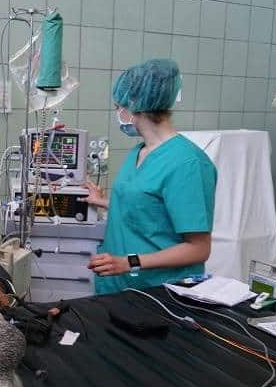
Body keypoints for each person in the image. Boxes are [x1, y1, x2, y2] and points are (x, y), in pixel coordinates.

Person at [80, 59, 217, 294]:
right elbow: (150, 211)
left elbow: (198, 248)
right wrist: (102, 201)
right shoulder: (139, 151)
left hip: (159, 293)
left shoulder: (187, 164)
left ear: (135, 105)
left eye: (118, 106)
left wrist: (129, 262)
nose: (118, 113)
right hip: (119, 287)